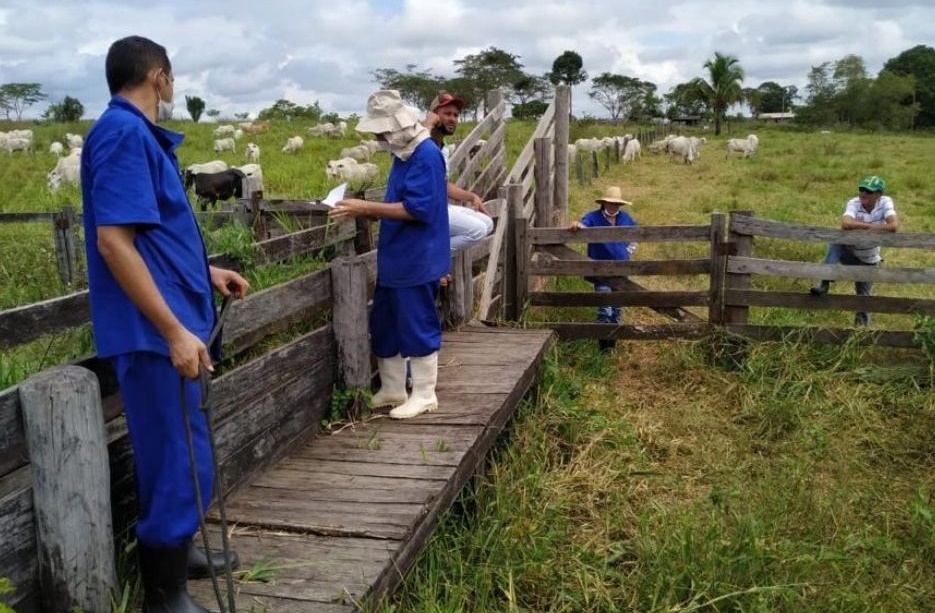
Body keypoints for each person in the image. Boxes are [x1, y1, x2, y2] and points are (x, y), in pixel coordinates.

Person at [81, 35, 249, 612]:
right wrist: (174, 329)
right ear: (159, 77)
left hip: (171, 321)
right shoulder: (125, 134)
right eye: (171, 78)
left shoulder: (134, 136)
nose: (173, 87)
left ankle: (180, 551)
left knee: (185, 449)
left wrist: (206, 273)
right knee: (174, 454)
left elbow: (150, 239)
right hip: (156, 334)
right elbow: (114, 241)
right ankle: (163, 593)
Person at [329, 90, 449, 420]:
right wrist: (371, 212)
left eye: (383, 132)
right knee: (386, 320)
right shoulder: (404, 153)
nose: (380, 138)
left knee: (416, 320)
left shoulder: (425, 155)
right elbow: (399, 202)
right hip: (397, 253)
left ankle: (424, 393)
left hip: (417, 256)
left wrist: (366, 207)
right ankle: (394, 387)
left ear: (397, 127)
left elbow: (418, 209)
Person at [809, 175, 898, 326]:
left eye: (868, 192)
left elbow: (894, 225)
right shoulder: (854, 202)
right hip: (850, 252)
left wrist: (861, 227)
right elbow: (845, 223)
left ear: (878, 195)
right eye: (861, 189)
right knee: (836, 241)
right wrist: (872, 228)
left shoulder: (885, 202)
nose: (863, 194)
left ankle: (860, 331)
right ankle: (825, 282)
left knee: (863, 298)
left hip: (869, 259)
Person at [423, 92, 494, 258]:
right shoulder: (423, 143)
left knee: (488, 223)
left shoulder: (443, 147)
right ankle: (428, 256)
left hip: (440, 206)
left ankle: (436, 244)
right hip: (424, 208)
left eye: (455, 115)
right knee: (477, 230)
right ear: (434, 115)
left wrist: (471, 197)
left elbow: (443, 184)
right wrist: (426, 126)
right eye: (447, 113)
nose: (452, 119)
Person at [569, 186, 638, 351]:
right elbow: (583, 224)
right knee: (605, 308)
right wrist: (577, 225)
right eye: (610, 203)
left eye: (617, 204)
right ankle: (602, 346)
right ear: (604, 203)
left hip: (621, 271)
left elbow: (637, 233)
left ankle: (611, 346)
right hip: (600, 271)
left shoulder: (626, 218)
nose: (614, 206)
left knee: (617, 309)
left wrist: (628, 250)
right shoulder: (593, 217)